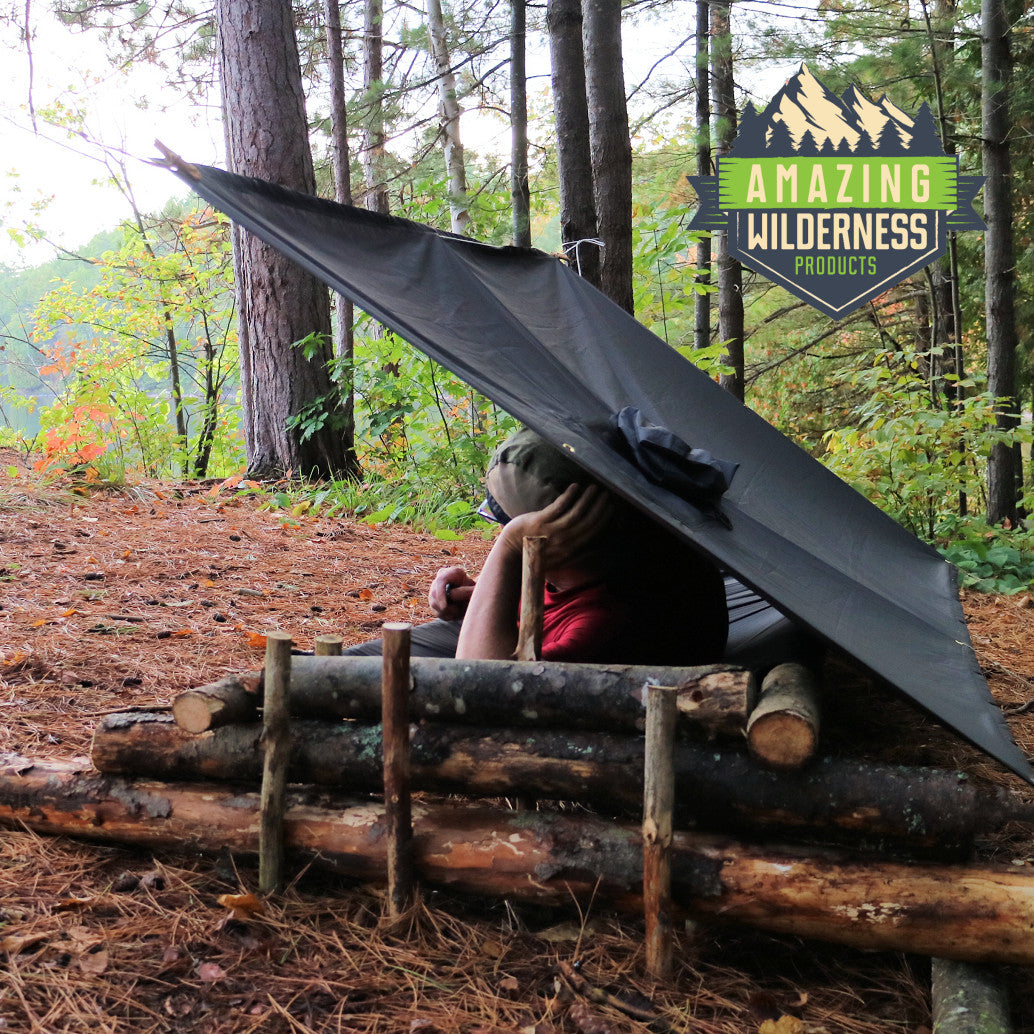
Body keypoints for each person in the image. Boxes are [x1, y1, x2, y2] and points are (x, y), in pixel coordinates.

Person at [346, 427, 730, 665]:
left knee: (358, 679)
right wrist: (483, 594)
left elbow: (478, 683)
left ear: (557, 537)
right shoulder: (617, 556)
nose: (502, 533)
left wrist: (512, 547)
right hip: (523, 649)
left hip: (518, 686)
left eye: (510, 526)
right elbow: (556, 601)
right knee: (339, 665)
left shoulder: (610, 622)